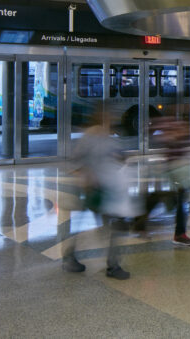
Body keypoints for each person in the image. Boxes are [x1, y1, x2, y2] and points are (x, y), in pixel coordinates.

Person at [62, 110, 138, 280]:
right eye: (110, 116)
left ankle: (72, 256)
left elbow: (117, 157)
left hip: (102, 189)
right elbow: (77, 162)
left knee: (108, 226)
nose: (113, 119)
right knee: (116, 226)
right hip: (98, 190)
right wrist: (88, 176)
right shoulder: (94, 136)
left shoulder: (102, 136)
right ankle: (112, 265)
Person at [134, 117, 190, 246]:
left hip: (179, 172)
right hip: (173, 172)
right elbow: (153, 131)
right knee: (178, 203)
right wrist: (170, 136)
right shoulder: (170, 122)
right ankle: (179, 235)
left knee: (166, 199)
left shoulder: (179, 122)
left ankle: (139, 223)